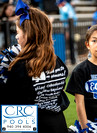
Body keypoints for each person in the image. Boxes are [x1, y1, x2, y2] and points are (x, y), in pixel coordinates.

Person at [2, 0, 69, 133]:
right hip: (58, 123)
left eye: (18, 32)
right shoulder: (57, 61)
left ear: (28, 34)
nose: (16, 37)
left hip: (31, 125)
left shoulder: (20, 67)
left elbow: (11, 105)